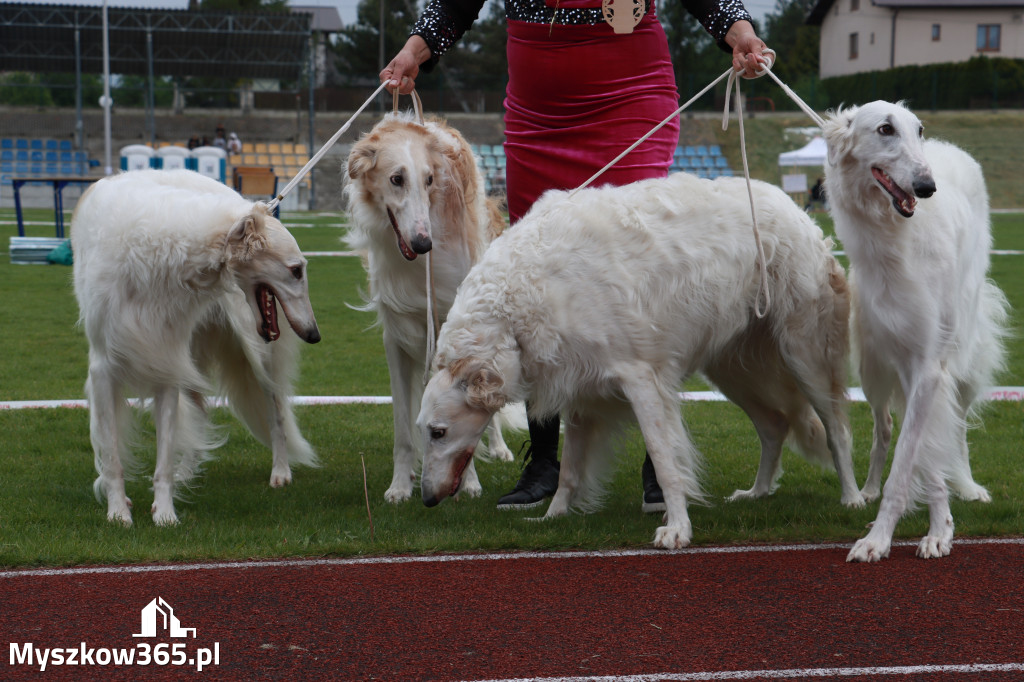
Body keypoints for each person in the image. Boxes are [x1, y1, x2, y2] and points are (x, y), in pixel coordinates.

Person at [382, 0, 770, 513]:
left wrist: (738, 30)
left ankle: (660, 466)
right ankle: (544, 461)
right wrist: (414, 48)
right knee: (533, 284)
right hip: (538, 112)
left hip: (630, 89)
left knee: (643, 273)